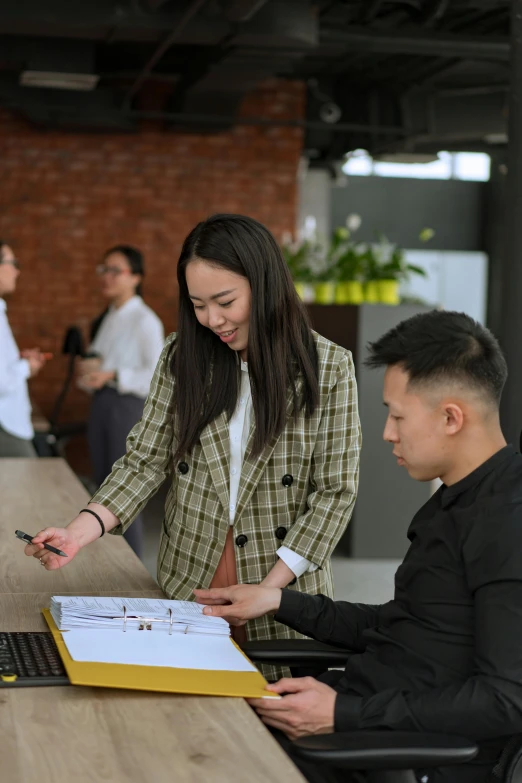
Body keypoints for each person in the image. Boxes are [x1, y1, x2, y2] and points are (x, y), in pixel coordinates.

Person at [193, 310, 522, 783]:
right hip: (355, 713)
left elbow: (506, 700)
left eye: (397, 415)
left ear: (451, 418)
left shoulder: (507, 522)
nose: (388, 432)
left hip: (387, 749)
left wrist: (344, 715)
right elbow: (403, 627)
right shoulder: (452, 504)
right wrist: (279, 600)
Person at [25, 214, 361, 661]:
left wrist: (269, 590)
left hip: (283, 582)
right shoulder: (182, 355)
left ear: (264, 285)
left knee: (274, 711)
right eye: (198, 305)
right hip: (189, 574)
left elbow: (334, 493)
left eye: (225, 301)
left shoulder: (329, 366)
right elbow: (145, 460)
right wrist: (77, 533)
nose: (212, 320)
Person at [76, 245, 164, 558]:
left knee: (122, 493)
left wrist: (113, 375)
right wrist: (91, 372)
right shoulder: (109, 317)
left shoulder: (145, 320)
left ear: (136, 277)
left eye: (115, 270)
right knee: (103, 489)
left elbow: (156, 375)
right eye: (104, 270)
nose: (107, 277)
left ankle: (131, 567)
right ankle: (110, 563)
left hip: (125, 409)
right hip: (103, 405)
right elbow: (98, 364)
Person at [0, 241, 49, 457]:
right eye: (12, 263)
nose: (17, 271)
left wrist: (18, 361)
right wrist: (26, 366)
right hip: (5, 423)